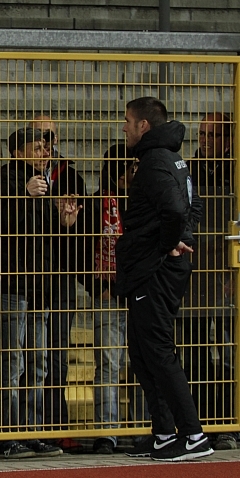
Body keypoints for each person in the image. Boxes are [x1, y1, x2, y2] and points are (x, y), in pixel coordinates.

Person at [116, 96, 211, 462]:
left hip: (154, 270)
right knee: (142, 352)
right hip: (149, 268)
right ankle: (163, 433)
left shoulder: (156, 161)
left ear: (144, 125)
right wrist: (180, 236)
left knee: (156, 349)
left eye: (128, 121)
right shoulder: (172, 159)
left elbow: (176, 209)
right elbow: (193, 204)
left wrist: (171, 242)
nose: (124, 127)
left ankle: (193, 435)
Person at [0, 128, 77, 459]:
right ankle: (6, 435)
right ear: (17, 151)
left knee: (38, 363)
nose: (45, 152)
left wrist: (65, 220)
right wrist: (24, 194)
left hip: (41, 287)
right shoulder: (3, 180)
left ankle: (32, 432)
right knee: (11, 362)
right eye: (37, 147)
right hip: (12, 286)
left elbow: (47, 236)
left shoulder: (46, 183)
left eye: (46, 147)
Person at [30, 114, 87, 447]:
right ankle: (29, 425)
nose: (45, 143)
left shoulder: (71, 176)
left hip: (62, 274)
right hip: (30, 275)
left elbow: (78, 228)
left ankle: (56, 424)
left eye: (49, 136)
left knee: (57, 353)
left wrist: (66, 222)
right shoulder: (15, 175)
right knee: (32, 352)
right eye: (38, 136)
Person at [185, 113, 238, 451]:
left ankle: (231, 422)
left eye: (213, 135)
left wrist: (232, 273)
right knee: (196, 352)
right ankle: (201, 422)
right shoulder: (188, 170)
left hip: (229, 273)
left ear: (228, 140)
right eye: (202, 133)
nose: (205, 140)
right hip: (194, 274)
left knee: (232, 353)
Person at [81, 144, 132, 454]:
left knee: (143, 363)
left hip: (138, 292)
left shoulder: (142, 201)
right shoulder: (95, 204)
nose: (130, 174)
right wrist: (94, 285)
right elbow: (79, 251)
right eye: (125, 168)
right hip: (106, 292)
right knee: (109, 364)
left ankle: (146, 427)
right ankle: (107, 432)